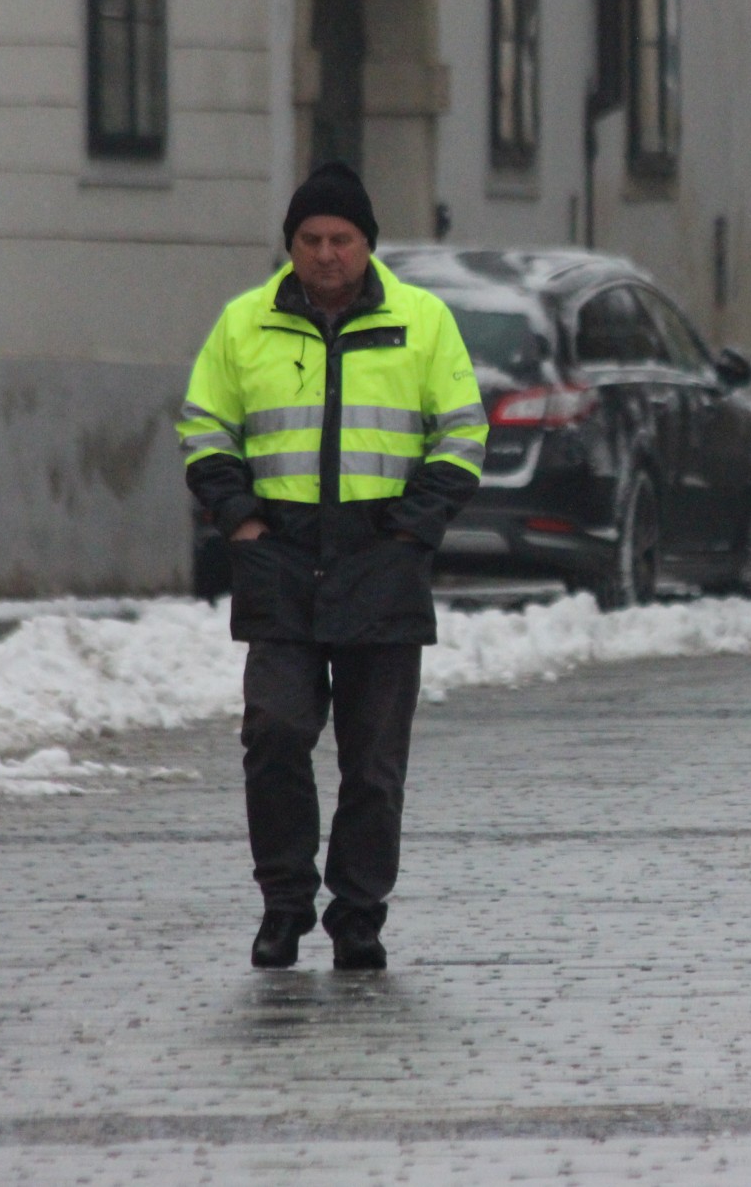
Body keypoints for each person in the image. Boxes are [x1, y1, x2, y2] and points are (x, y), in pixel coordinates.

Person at [177, 162, 489, 970]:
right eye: (310, 240)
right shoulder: (244, 324)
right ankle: (283, 905)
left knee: (374, 761)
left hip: (381, 565)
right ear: (289, 245)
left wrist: (409, 534)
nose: (324, 255)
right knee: (274, 735)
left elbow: (462, 437)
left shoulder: (423, 322)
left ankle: (359, 914)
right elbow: (205, 430)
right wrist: (240, 518)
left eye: (340, 240)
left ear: (367, 245)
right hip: (280, 560)